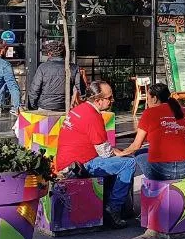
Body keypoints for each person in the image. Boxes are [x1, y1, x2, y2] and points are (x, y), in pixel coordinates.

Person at [55, 80, 135, 228]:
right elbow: (105, 153)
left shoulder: (79, 109)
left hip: (68, 162)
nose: (112, 101)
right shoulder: (93, 116)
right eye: (109, 98)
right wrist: (119, 153)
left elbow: (100, 146)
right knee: (128, 163)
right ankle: (114, 209)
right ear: (98, 100)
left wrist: (113, 151)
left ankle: (110, 205)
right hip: (80, 166)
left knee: (118, 161)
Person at [118, 83, 185, 181]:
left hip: (161, 171)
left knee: (139, 153)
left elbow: (136, 146)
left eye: (148, 98)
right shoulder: (182, 111)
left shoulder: (149, 113)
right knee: (147, 151)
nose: (147, 101)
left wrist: (121, 153)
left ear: (155, 98)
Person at [27, 40, 67, 112]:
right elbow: (80, 91)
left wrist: (34, 105)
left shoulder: (43, 67)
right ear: (64, 54)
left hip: (45, 106)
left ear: (49, 54)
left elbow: (34, 89)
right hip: (65, 106)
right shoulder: (72, 67)